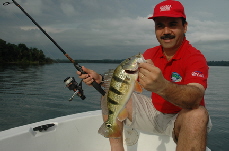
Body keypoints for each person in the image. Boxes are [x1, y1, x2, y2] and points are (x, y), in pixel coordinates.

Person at [77, 0, 212, 150]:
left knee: (197, 115)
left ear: (185, 27)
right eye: (160, 26)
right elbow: (126, 82)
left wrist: (163, 87)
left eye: (173, 24)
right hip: (153, 113)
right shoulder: (149, 54)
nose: (166, 31)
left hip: (180, 118)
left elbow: (195, 97)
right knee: (109, 94)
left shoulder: (195, 58)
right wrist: (101, 80)